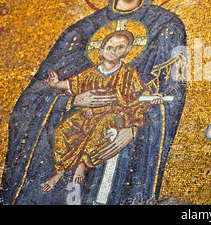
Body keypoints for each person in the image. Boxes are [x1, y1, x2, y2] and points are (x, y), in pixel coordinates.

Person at [0, 0, 187, 205]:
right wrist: (71, 101)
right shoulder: (79, 31)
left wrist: (135, 129)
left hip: (120, 144)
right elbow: (31, 99)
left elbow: (171, 94)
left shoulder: (164, 27)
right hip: (68, 133)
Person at [41, 30, 163, 193]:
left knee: (103, 126)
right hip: (87, 115)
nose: (113, 51)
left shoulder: (128, 73)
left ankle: (83, 163)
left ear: (127, 51)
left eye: (120, 47)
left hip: (115, 114)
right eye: (109, 47)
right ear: (100, 50)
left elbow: (140, 92)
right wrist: (56, 84)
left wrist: (151, 97)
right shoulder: (91, 72)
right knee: (62, 132)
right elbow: (72, 84)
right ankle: (60, 171)